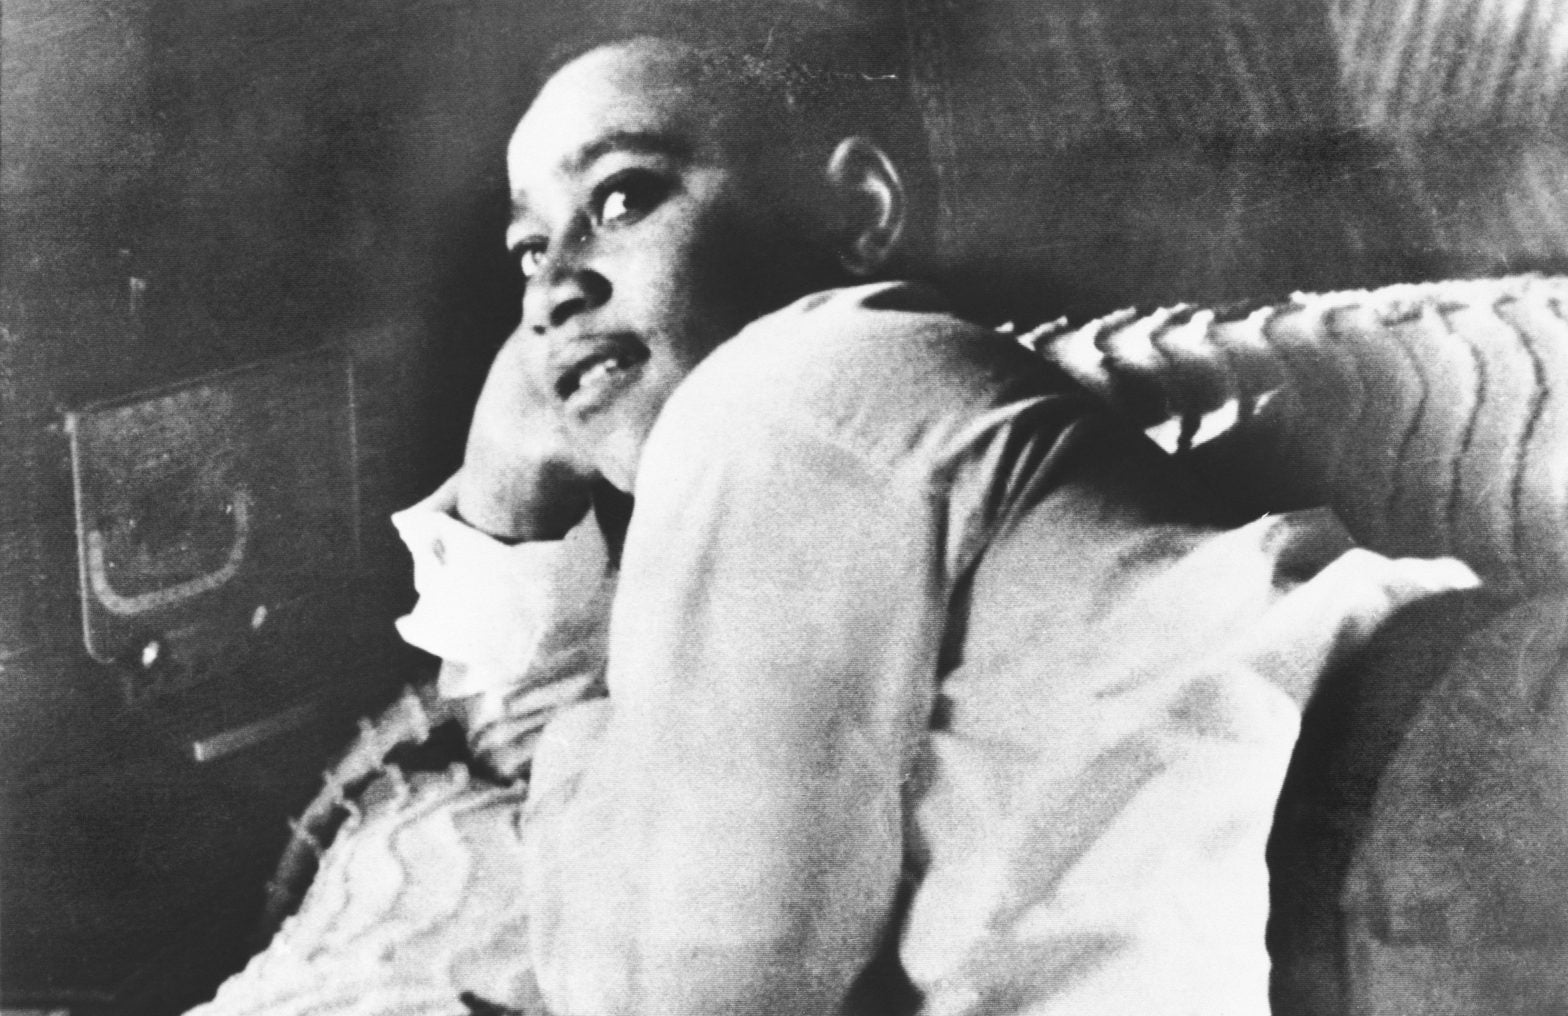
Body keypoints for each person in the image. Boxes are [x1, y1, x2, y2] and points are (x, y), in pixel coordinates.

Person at [189, 7, 1477, 1015]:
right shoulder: (804, 484)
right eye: (531, 249)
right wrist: (509, 509)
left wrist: (516, 532)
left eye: (624, 196)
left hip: (1423, 821)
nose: (553, 290)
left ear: (858, 214)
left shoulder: (793, 379)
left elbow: (682, 991)